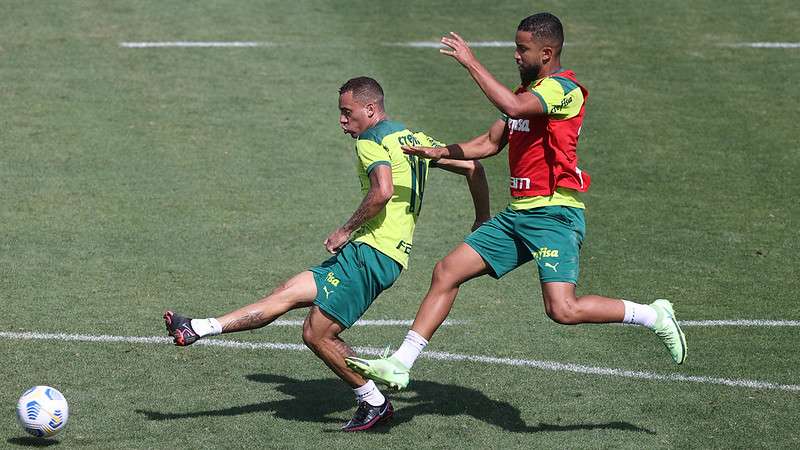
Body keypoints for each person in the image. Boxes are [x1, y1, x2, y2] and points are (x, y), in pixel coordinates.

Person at [345, 13, 687, 391]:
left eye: (521, 50)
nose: (515, 56)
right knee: (447, 271)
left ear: (546, 52)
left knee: (563, 309)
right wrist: (437, 151)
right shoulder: (525, 94)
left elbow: (512, 108)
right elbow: (490, 144)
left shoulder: (563, 90)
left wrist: (470, 62)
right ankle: (401, 362)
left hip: (555, 215)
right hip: (519, 214)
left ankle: (652, 315)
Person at [163, 76, 490, 431]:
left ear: (370, 109)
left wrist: (345, 230)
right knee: (287, 292)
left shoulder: (371, 140)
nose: (342, 121)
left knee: (316, 334)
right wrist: (482, 218)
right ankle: (198, 327)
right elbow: (473, 165)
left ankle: (373, 402)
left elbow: (382, 191)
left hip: (372, 254)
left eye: (347, 113)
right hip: (376, 253)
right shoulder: (413, 139)